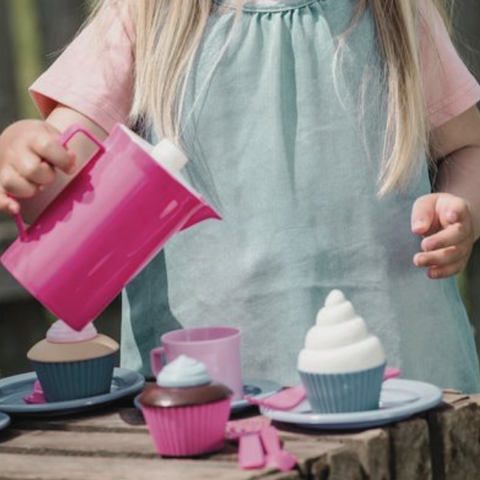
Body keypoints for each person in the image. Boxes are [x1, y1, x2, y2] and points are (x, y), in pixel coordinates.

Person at [1, 0, 480, 393]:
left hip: (399, 377)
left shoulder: (393, 12)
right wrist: (20, 153)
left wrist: (462, 207)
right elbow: (61, 162)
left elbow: (467, 146)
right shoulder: (147, 15)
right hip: (211, 390)